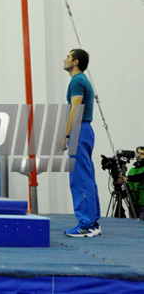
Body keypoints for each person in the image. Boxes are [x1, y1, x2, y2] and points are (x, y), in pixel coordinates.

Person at [62, 48, 101, 237]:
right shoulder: (83, 81)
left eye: (68, 57)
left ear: (76, 62)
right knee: (87, 175)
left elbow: (74, 110)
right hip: (86, 129)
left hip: (79, 129)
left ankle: (86, 224)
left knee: (80, 178)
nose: (64, 59)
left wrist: (67, 134)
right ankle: (93, 221)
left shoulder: (77, 81)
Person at [124, 146, 144, 220]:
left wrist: (127, 178)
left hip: (143, 204)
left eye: (142, 154)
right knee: (132, 226)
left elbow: (141, 177)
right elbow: (129, 186)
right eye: (138, 153)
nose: (139, 155)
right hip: (133, 204)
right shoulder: (132, 170)